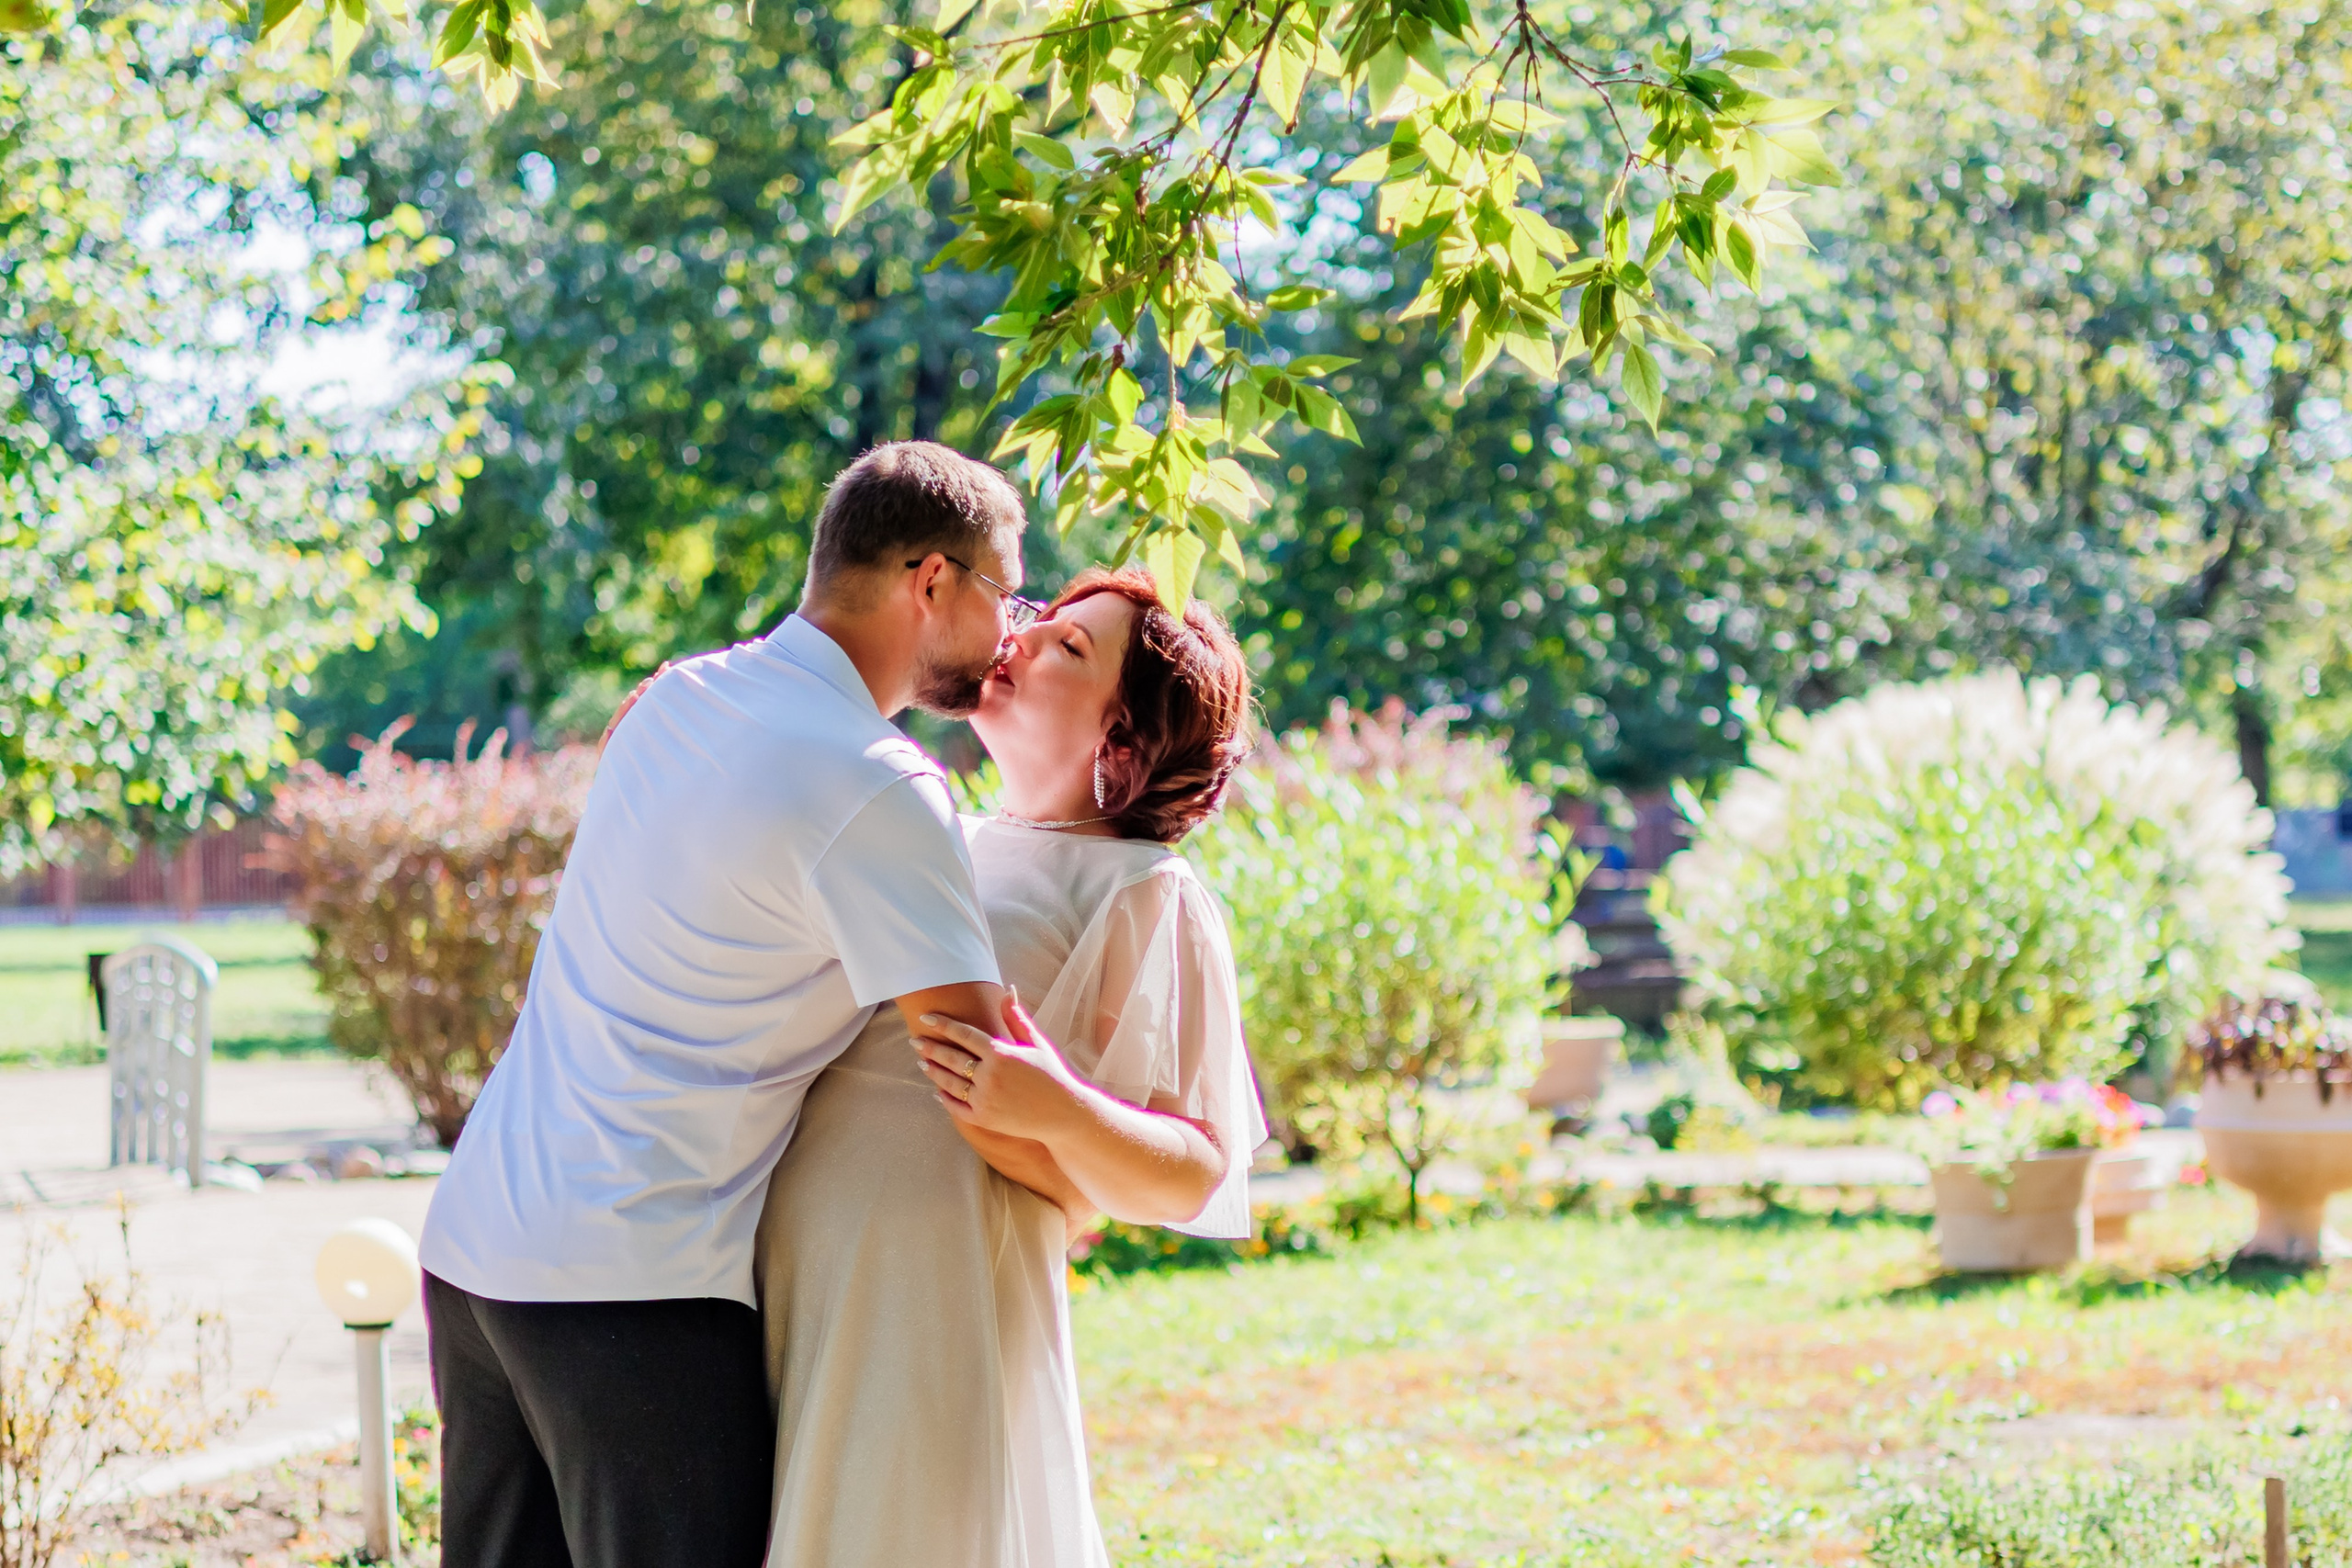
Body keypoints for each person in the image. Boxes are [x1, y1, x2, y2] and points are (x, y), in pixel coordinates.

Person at [416, 441, 1063, 1568]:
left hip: (477, 1249)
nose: (1012, 633)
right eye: (1005, 593)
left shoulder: (679, 694)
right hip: (629, 1289)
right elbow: (983, 1070)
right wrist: (1104, 1177)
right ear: (930, 580)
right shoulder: (873, 778)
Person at [753, 564, 1266, 1568]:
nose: (1017, 639)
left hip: (942, 1292)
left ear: (1123, 736)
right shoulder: (931, 828)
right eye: (1040, 619)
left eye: (1069, 648)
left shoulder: (1147, 891)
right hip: (792, 1266)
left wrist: (1060, 1108)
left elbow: (1196, 1169)